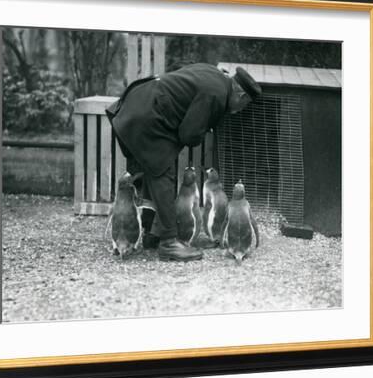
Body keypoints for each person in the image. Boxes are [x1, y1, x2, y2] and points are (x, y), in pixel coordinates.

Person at [106, 63, 262, 261]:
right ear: (241, 96)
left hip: (139, 105)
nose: (239, 110)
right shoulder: (215, 94)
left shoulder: (216, 77)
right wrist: (203, 130)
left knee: (154, 172)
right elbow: (188, 134)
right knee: (162, 173)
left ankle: (152, 233)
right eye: (244, 106)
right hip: (146, 116)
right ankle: (169, 242)